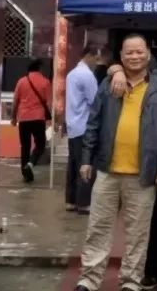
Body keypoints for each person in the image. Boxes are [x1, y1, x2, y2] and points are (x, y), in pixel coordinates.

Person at [75, 34, 157, 291]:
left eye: (139, 52)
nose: (134, 56)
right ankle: (89, 279)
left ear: (148, 55)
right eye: (129, 52)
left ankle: (131, 281)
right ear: (121, 56)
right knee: (98, 227)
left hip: (143, 174)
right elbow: (94, 123)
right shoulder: (109, 84)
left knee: (138, 233)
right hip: (107, 170)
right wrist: (86, 158)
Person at [64, 43, 103, 213]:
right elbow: (95, 102)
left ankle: (71, 201)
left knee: (73, 165)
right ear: (89, 55)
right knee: (86, 165)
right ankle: (84, 203)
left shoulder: (72, 74)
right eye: (96, 57)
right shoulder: (87, 75)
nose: (97, 61)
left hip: (73, 125)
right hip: (84, 126)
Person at [11, 58, 53, 182]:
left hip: (23, 118)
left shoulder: (21, 82)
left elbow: (15, 102)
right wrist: (51, 119)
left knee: (25, 146)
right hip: (38, 118)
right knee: (40, 144)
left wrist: (13, 118)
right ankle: (31, 163)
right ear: (39, 69)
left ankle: (26, 174)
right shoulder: (45, 82)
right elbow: (49, 103)